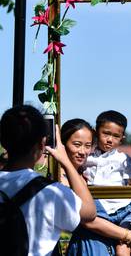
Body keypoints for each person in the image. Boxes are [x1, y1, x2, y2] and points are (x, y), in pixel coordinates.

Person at [0, 105, 96, 255]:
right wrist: (65, 161)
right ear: (42, 144)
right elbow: (89, 213)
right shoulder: (51, 193)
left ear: (3, 141)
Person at [61, 119, 131, 255]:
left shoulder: (83, 173)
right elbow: (89, 221)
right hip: (88, 247)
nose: (83, 151)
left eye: (87, 146)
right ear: (63, 144)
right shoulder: (62, 177)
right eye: (77, 144)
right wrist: (130, 236)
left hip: (106, 245)